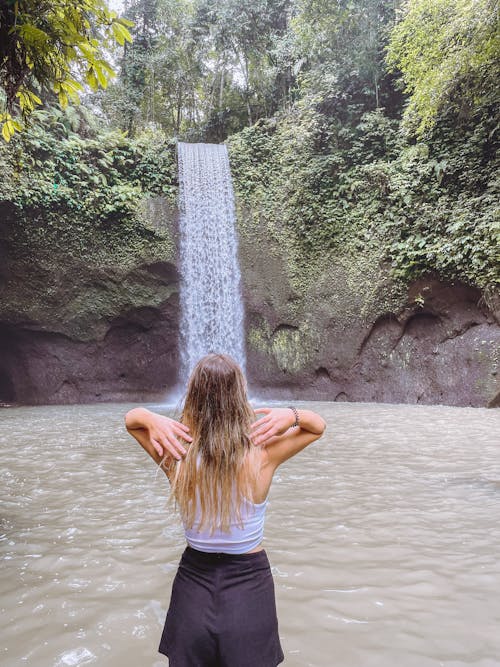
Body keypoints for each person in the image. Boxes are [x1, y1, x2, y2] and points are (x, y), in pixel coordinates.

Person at [124, 353, 326, 666]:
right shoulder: (262, 452)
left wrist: (150, 418)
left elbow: (131, 423)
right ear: (239, 396)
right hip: (249, 585)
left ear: (192, 395)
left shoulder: (177, 452)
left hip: (193, 583)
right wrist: (292, 414)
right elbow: (317, 428)